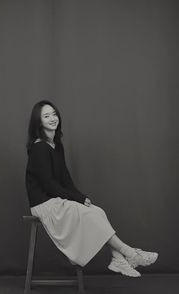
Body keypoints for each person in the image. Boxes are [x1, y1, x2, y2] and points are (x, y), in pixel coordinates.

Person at [25, 100, 158, 277]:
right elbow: (48, 184)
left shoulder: (56, 146)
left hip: (56, 199)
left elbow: (65, 179)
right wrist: (76, 199)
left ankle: (117, 259)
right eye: (46, 116)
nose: (52, 118)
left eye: (54, 114)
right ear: (38, 122)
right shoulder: (39, 147)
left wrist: (81, 196)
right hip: (44, 203)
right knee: (89, 214)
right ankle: (130, 253)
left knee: (98, 211)